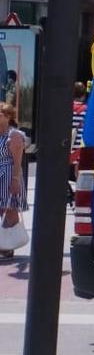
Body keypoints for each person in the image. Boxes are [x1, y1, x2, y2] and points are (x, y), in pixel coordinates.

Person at [0, 104, 26, 261]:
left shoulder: (14, 135)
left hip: (9, 174)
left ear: (8, 116)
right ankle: (4, 243)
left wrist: (15, 179)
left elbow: (17, 161)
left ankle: (9, 245)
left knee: (9, 209)